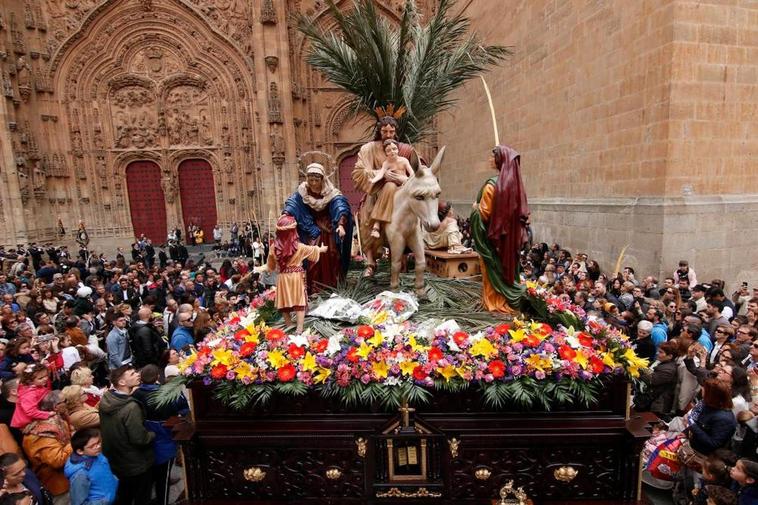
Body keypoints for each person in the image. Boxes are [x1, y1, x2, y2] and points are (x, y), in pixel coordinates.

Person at [351, 115, 415, 277]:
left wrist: (404, 179)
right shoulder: (368, 149)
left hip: (402, 191)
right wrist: (383, 174)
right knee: (367, 214)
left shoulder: (405, 149)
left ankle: (402, 256)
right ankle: (371, 262)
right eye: (384, 131)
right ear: (379, 131)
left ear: (395, 132)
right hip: (376, 191)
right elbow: (360, 171)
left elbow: (418, 170)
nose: (388, 134)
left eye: (391, 131)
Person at [470, 145, 529, 313]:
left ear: (499, 160)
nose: (489, 159)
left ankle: (494, 303)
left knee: (491, 270)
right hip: (509, 240)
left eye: (492, 156)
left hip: (493, 239)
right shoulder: (515, 185)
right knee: (506, 269)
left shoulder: (491, 186)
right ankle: (506, 299)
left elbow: (485, 214)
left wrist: (475, 209)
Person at [282, 162, 353, 292]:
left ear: (322, 179)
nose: (313, 183)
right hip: (310, 228)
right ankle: (313, 287)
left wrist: (341, 224)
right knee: (312, 256)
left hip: (328, 228)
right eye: (311, 180)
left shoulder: (331, 193)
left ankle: (333, 286)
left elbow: (340, 206)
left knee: (331, 253)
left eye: (316, 180)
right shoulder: (302, 192)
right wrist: (286, 215)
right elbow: (292, 204)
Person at [98, 365, 155, 505]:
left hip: (118, 460)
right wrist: (152, 435)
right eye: (132, 374)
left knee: (125, 495)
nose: (137, 374)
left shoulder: (107, 399)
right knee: (142, 496)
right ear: (122, 383)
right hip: (135, 462)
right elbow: (139, 438)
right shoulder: (130, 407)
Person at [266, 215, 328, 333]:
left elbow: (270, 265)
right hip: (296, 277)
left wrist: (268, 268)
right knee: (299, 301)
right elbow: (313, 250)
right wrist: (322, 249)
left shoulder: (273, 247)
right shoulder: (299, 247)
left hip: (282, 278)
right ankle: (299, 328)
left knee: (284, 301)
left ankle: (289, 323)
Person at [21, 391, 72, 504]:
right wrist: (74, 442)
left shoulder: (59, 421)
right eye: (65, 401)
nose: (67, 403)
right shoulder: (40, 432)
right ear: (56, 407)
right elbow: (57, 460)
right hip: (58, 486)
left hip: (68, 479)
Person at [368, 139, 413, 239]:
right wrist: (373, 180)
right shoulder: (386, 163)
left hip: (404, 185)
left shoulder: (404, 160)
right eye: (389, 150)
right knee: (389, 185)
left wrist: (406, 180)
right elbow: (381, 174)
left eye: (394, 149)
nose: (392, 152)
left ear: (397, 149)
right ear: (386, 153)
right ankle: (377, 225)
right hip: (392, 188)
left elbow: (412, 174)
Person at [64, 428, 118, 505]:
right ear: (80, 451)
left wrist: (115, 481)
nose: (98, 446)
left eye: (99, 442)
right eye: (92, 446)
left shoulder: (94, 453)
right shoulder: (80, 474)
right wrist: (104, 502)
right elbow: (79, 502)